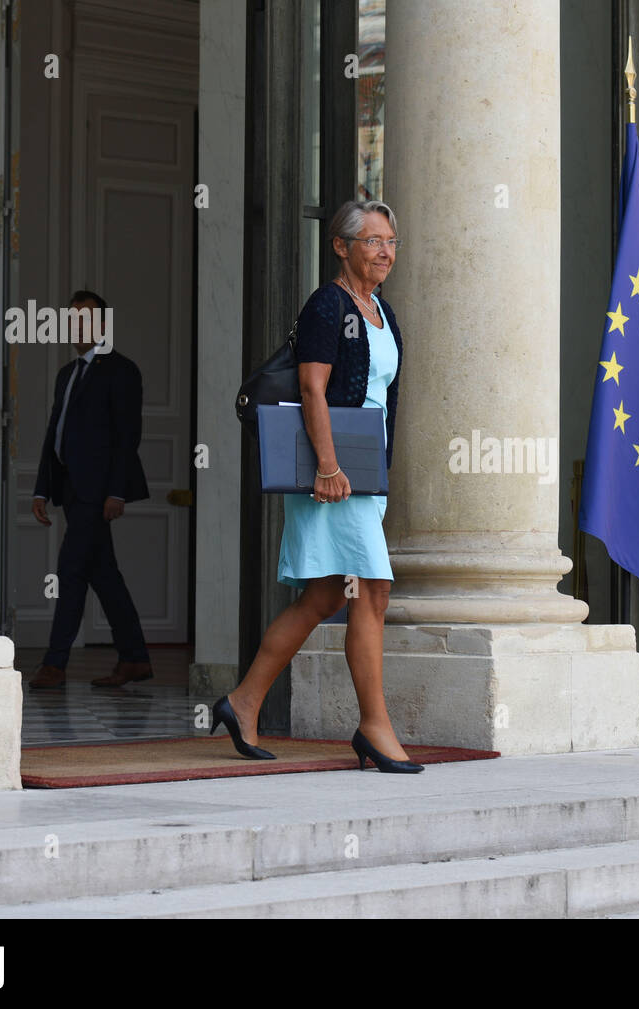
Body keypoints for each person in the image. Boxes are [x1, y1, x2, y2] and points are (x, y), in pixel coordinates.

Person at [211, 199, 422, 773]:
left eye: (391, 242)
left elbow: (382, 397)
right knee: (372, 591)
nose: (385, 252)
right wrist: (328, 468)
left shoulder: (381, 310)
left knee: (326, 596)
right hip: (333, 476)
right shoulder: (327, 305)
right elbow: (312, 389)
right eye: (373, 241)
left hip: (364, 475)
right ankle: (375, 727)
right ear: (341, 247)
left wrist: (374, 474)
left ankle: (243, 701)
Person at [28, 290, 153, 689]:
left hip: (98, 493)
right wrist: (41, 490)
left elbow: (127, 437)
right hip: (70, 489)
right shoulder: (66, 374)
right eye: (71, 320)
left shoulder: (122, 370)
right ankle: (134, 657)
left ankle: (55, 663)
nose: (76, 327)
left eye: (84, 319)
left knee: (70, 570)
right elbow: (55, 434)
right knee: (103, 574)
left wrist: (116, 492)